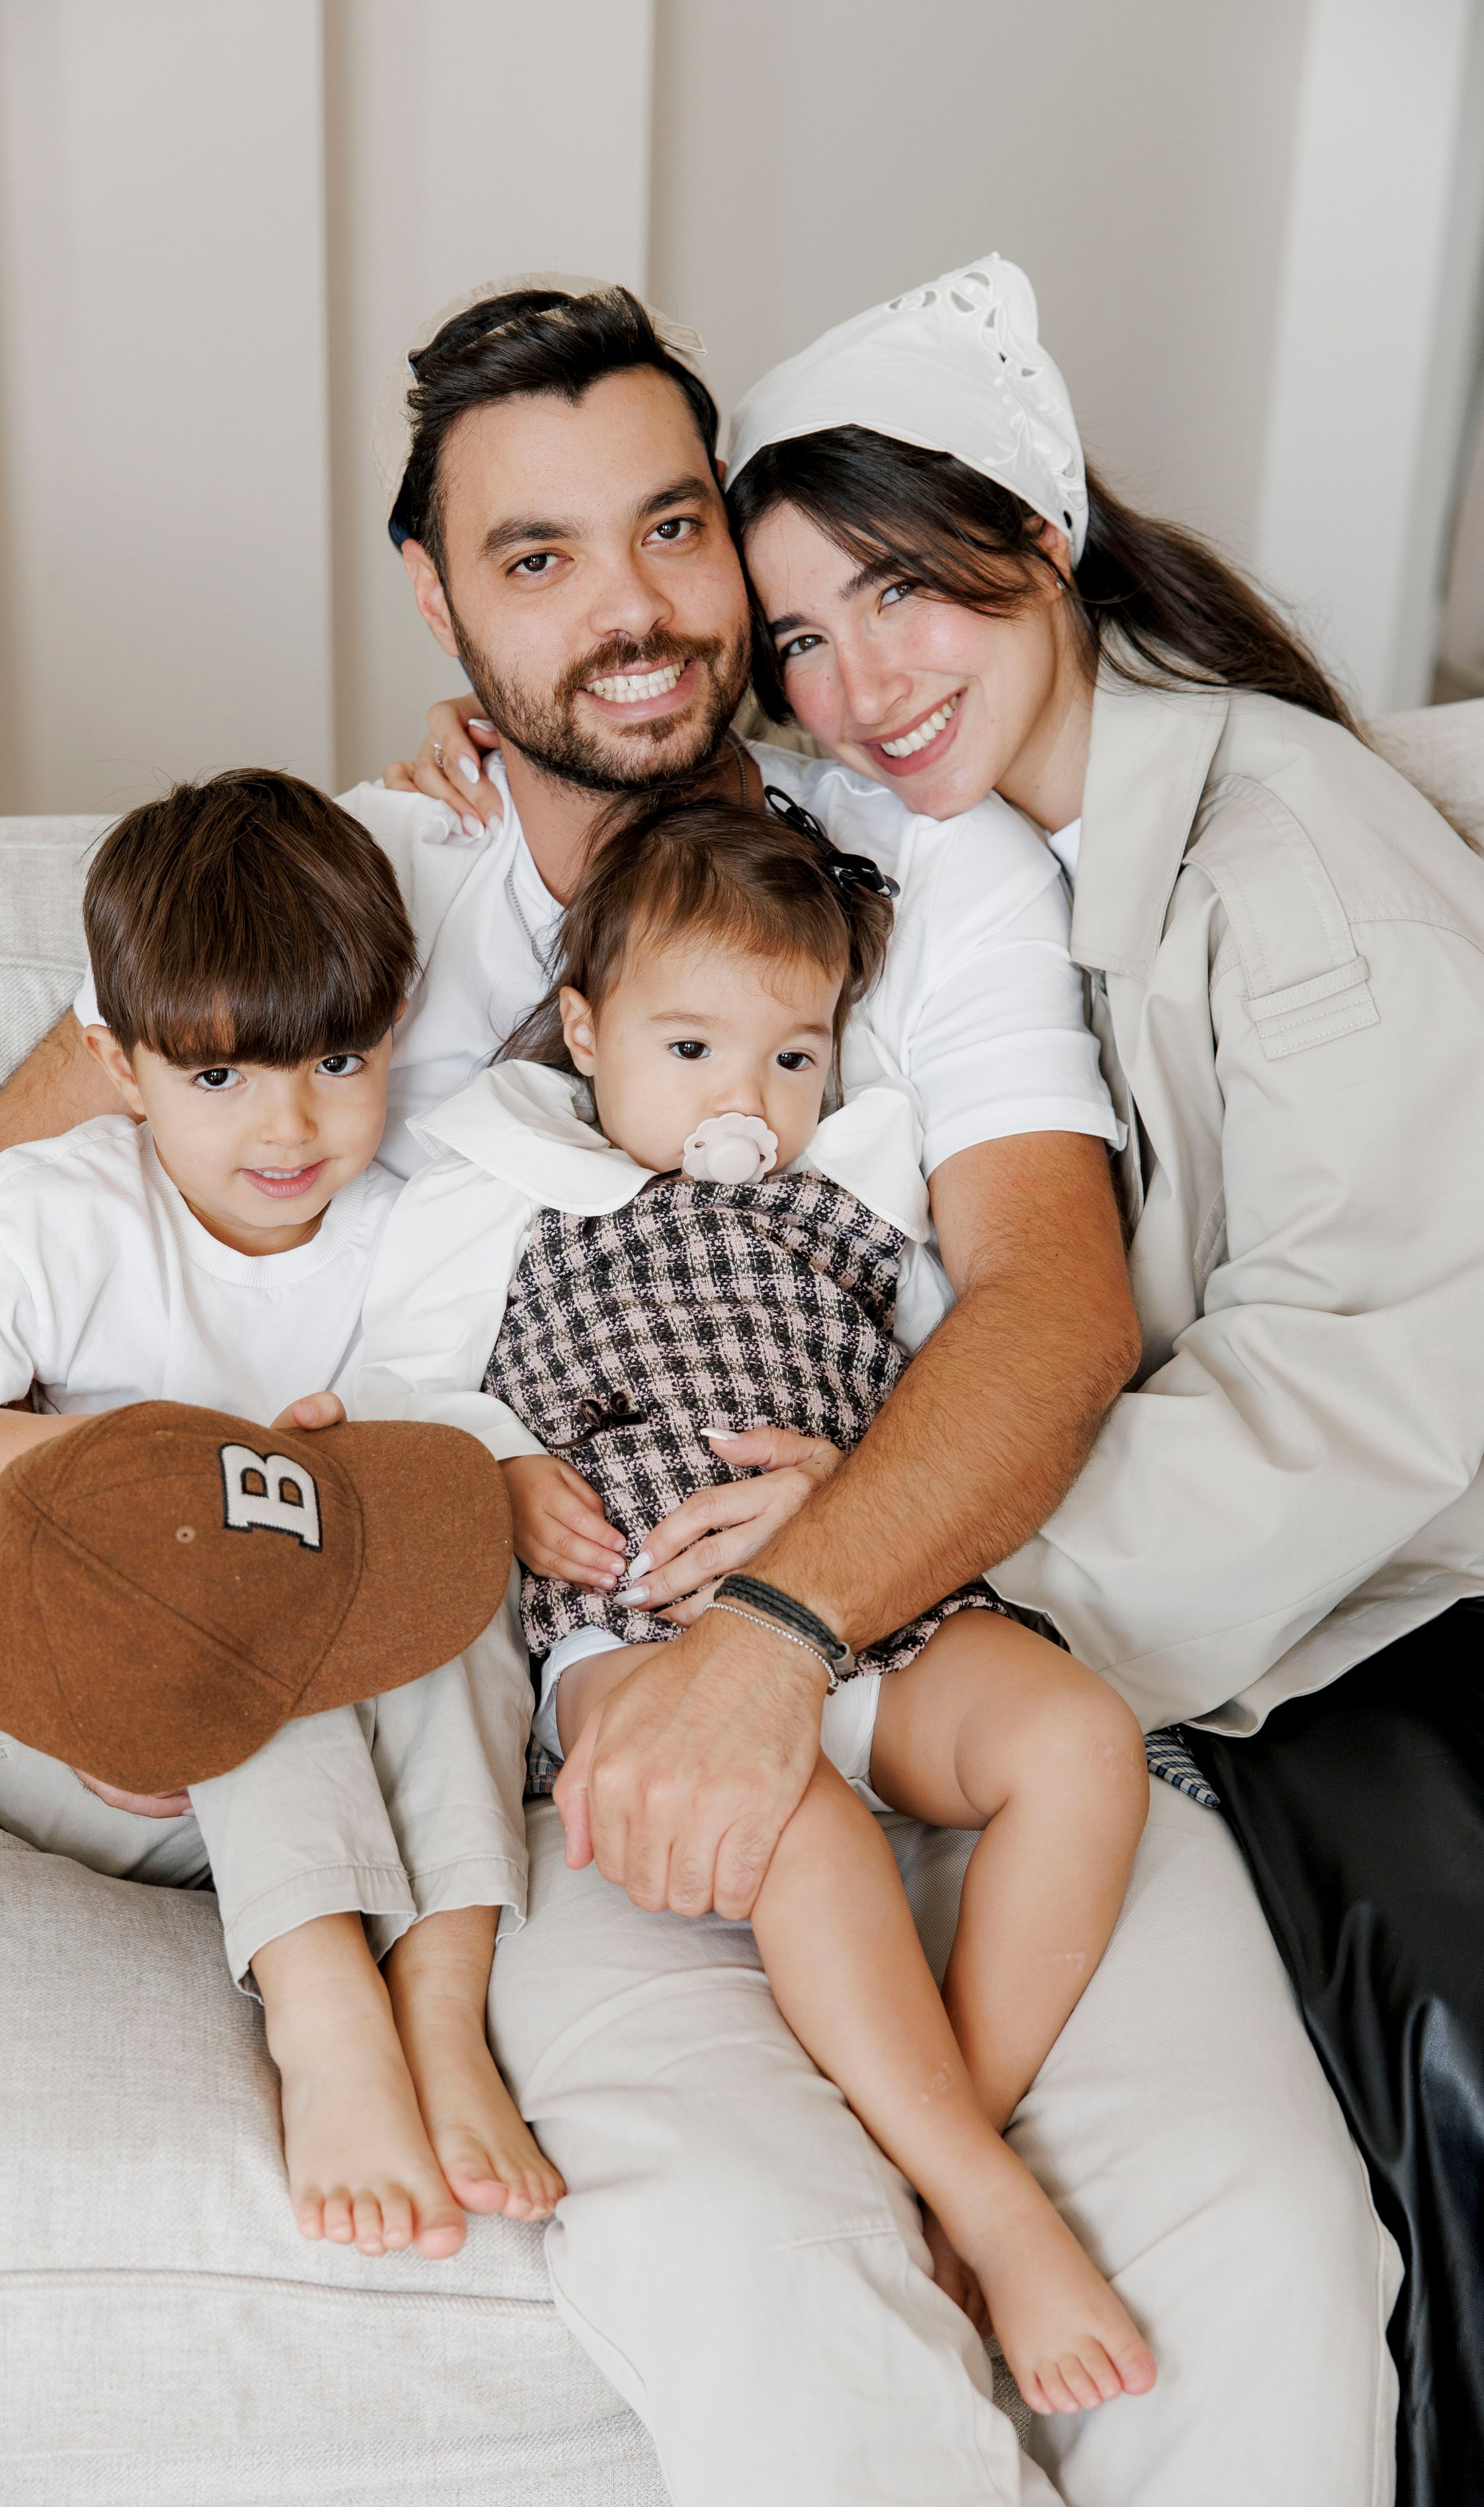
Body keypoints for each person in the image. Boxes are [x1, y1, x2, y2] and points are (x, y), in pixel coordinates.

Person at [0, 277, 1393, 2507]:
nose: (636, 614)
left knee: (1265, 2263)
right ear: (439, 599)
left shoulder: (920, 860)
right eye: (539, 556)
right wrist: (166, 1588)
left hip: (938, 1638)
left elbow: (1049, 1306)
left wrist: (801, 1616)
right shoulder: (369, 897)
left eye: (673, 529)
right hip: (582, 1733)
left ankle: (981, 2174)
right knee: (767, 2276)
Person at [363, 790, 1157, 2418]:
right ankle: (990, 2198)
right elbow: (396, 1383)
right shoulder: (501, 1173)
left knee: (1079, 1743)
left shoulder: (859, 1182)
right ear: (586, 1034)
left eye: (792, 1056)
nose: (745, 1099)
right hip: (635, 1611)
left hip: (859, 1594)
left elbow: (954, 1389)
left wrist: (849, 1485)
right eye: (691, 1050)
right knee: (783, 1809)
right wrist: (500, 1469)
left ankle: (936, 2133)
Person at [0, 768, 561, 2261]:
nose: (290, 1125)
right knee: (226, 1579)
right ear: (119, 1061)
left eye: (337, 1060)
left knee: (443, 1543)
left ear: (396, 1027)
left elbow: (439, 1455)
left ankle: (441, 1991)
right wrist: (140, 1472)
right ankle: (325, 2010)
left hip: (344, 1705)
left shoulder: (413, 1227)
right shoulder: (55, 1214)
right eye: (219, 1079)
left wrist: (434, 1470)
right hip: (84, 1719)